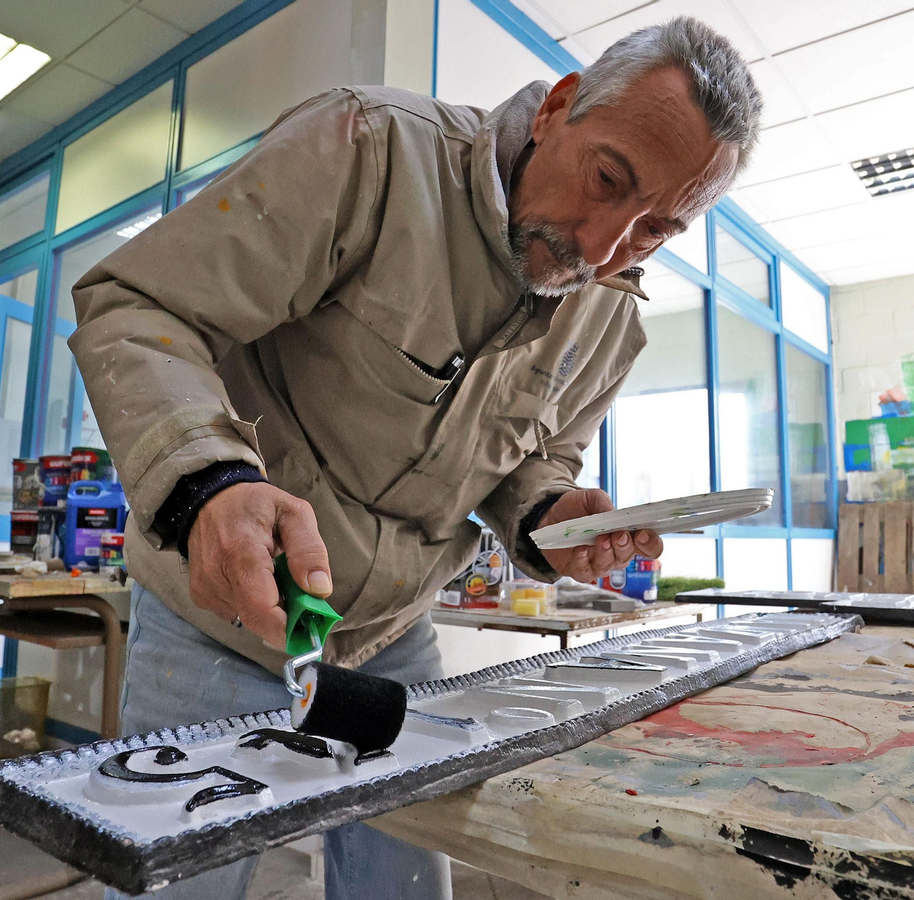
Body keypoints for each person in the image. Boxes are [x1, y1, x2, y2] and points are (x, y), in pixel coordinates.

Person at [70, 16, 762, 900]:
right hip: (224, 610)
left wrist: (551, 517)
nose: (602, 247)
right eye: (606, 180)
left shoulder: (612, 317)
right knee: (185, 883)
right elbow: (137, 302)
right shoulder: (369, 151)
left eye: (654, 228)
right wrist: (206, 482)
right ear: (557, 108)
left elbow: (531, 463)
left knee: (404, 886)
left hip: (391, 635)